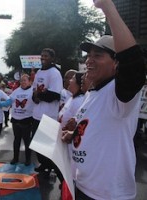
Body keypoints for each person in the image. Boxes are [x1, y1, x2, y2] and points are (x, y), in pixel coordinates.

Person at [61, 0, 145, 199]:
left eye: (98, 55)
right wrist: (73, 136)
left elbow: (133, 65)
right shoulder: (93, 93)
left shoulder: (120, 95)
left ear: (116, 63)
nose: (89, 60)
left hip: (106, 194)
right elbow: (96, 129)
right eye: (88, 55)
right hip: (82, 185)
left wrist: (108, 7)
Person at [32, 48, 63, 173]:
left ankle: (51, 166)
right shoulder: (39, 72)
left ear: (52, 59)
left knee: (47, 145)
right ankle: (43, 164)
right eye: (42, 55)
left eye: (46, 56)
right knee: (38, 144)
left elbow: (54, 95)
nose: (43, 58)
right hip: (37, 114)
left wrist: (39, 95)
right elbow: (34, 90)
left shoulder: (54, 73)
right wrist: (35, 97)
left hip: (48, 115)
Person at [9, 74, 34, 166]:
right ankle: (15, 158)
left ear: (29, 81)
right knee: (16, 140)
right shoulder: (16, 91)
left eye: (25, 80)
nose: (23, 82)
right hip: (15, 120)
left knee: (27, 141)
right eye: (21, 81)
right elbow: (9, 100)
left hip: (27, 120)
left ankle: (28, 159)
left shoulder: (32, 91)